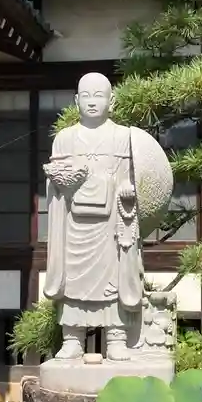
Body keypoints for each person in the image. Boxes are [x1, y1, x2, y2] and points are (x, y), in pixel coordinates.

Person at [43, 72, 143, 361]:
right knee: (73, 278)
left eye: (98, 95)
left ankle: (116, 336)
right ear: (76, 100)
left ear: (112, 101)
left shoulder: (123, 136)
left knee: (114, 275)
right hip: (74, 223)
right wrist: (62, 183)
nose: (91, 102)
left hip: (111, 223)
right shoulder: (65, 138)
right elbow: (55, 182)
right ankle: (72, 338)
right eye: (85, 95)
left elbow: (134, 180)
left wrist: (127, 191)